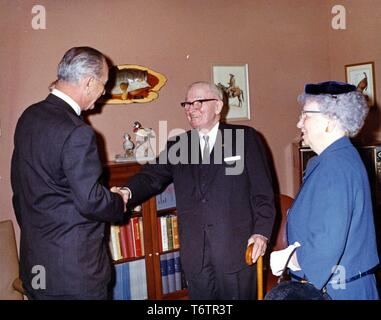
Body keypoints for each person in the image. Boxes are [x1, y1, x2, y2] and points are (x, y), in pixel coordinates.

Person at [120, 81, 276, 299]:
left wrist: (261, 233)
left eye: (198, 102)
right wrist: (127, 191)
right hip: (196, 258)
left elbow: (263, 195)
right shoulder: (179, 145)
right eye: (187, 103)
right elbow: (151, 176)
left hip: (235, 253)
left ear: (218, 107)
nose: (190, 108)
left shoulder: (244, 138)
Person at [11, 47, 129, 300]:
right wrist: (117, 200)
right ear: (88, 82)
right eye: (104, 85)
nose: (103, 92)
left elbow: (20, 192)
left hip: (37, 264)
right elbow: (90, 203)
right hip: (75, 274)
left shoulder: (29, 117)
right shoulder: (77, 131)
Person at [270, 81, 380, 300]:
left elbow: (326, 244)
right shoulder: (334, 160)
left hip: (340, 291)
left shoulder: (335, 167)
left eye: (305, 115)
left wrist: (289, 259)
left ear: (330, 120)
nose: (299, 123)